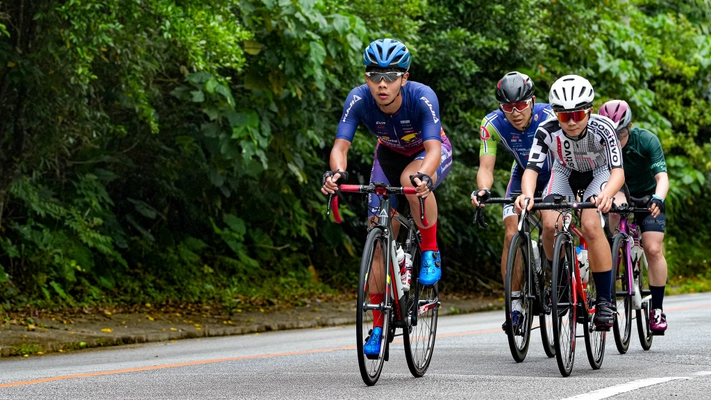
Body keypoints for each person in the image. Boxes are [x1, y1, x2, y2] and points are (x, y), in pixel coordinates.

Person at [320, 38, 453, 355]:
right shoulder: (358, 99)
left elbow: (434, 148)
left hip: (428, 154)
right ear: (366, 77)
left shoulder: (422, 96)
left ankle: (431, 249)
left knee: (411, 179)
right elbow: (341, 147)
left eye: (391, 76)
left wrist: (425, 176)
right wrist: (337, 173)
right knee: (379, 239)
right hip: (388, 157)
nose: (382, 84)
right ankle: (378, 327)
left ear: (404, 78)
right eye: (374, 75)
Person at [514, 74, 625, 330]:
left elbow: (617, 172)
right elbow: (531, 169)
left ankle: (606, 301)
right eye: (564, 116)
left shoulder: (605, 128)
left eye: (577, 115)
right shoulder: (547, 130)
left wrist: (607, 194)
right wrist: (528, 194)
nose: (572, 122)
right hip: (563, 173)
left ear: (590, 111)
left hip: (598, 174)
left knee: (590, 224)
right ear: (555, 114)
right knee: (550, 223)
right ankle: (559, 279)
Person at [470, 71, 556, 333]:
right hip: (521, 175)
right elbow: (486, 167)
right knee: (511, 233)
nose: (515, 112)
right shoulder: (492, 124)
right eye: (508, 107)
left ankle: (556, 278)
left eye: (520, 105)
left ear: (533, 101)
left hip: (555, 173)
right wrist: (483, 190)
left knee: (550, 226)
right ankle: (516, 306)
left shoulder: (550, 116)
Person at [599, 100, 669, 334]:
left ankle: (657, 309)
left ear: (629, 127)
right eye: (612, 133)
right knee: (614, 210)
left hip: (649, 195)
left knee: (653, 248)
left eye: (621, 132)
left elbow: (662, 178)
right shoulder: (600, 144)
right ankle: (614, 251)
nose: (616, 139)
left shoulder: (646, 140)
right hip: (619, 190)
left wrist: (658, 198)